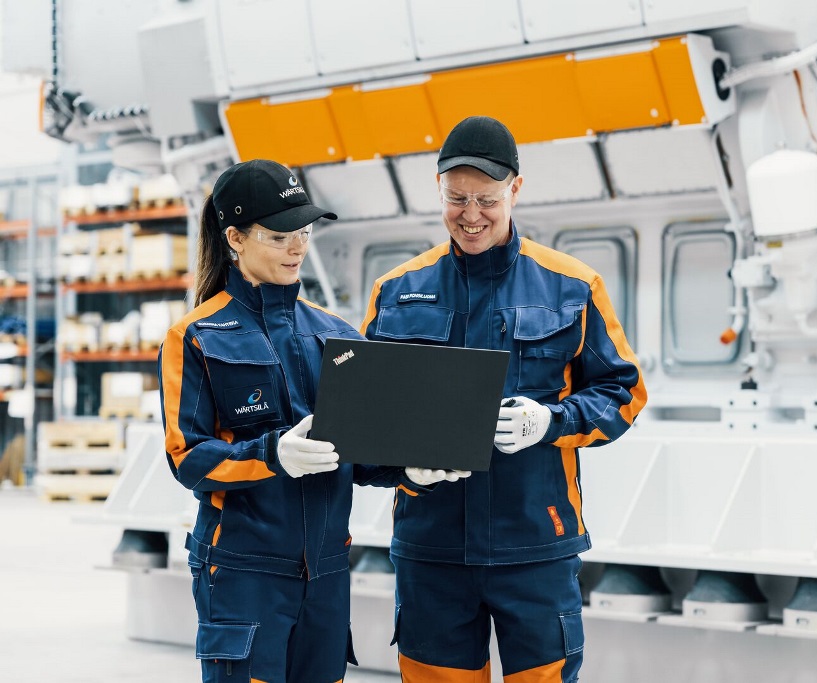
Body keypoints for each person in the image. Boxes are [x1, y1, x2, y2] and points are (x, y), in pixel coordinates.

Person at [361, 116, 648, 682]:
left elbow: (625, 394)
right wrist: (405, 468)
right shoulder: (393, 294)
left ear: (516, 188)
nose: (471, 215)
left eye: (487, 199)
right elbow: (368, 425)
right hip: (431, 549)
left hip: (535, 547)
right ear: (438, 190)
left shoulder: (572, 285)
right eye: (456, 198)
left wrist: (552, 421)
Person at [158, 158, 467, 683]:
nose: (298, 248)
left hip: (326, 572)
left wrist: (406, 471)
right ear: (234, 236)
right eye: (280, 237)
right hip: (243, 572)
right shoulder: (196, 336)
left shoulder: (336, 335)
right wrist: (270, 454)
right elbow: (187, 458)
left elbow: (361, 449)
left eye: (303, 233)